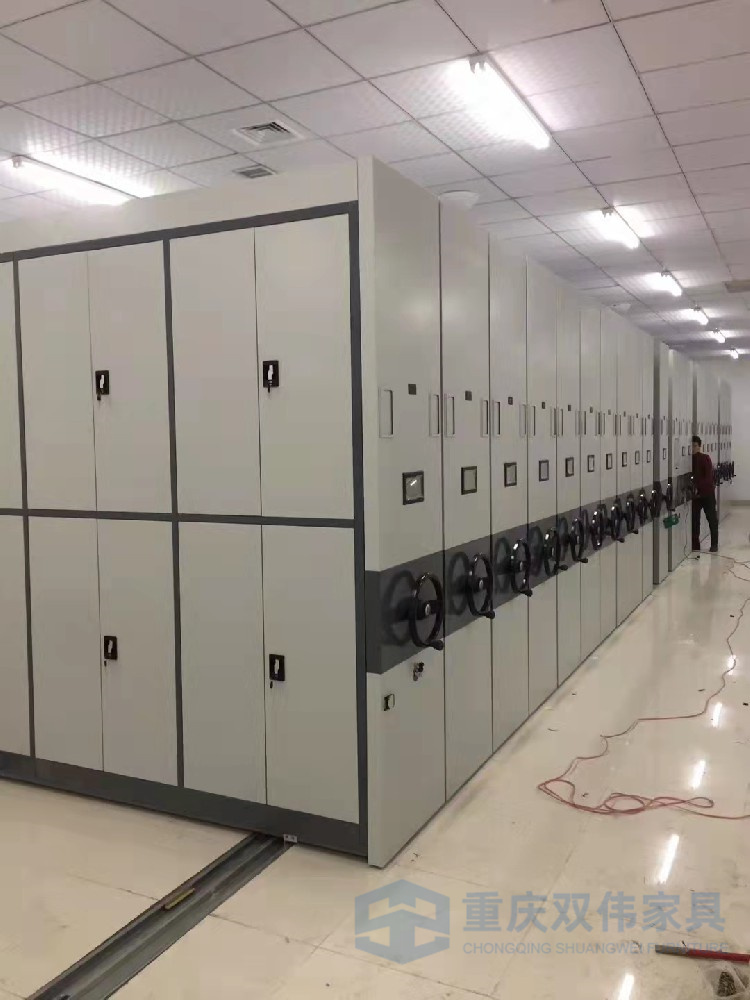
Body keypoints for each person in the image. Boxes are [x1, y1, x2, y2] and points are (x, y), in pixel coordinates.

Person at [691, 435, 718, 553]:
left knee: (712, 519)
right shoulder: (689, 460)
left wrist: (698, 487)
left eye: (695, 446)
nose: (693, 448)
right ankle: (695, 545)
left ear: (699, 446)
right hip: (696, 496)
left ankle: (714, 545)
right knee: (694, 520)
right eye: (691, 446)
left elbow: (708, 477)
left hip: (707, 494)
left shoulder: (705, 458)